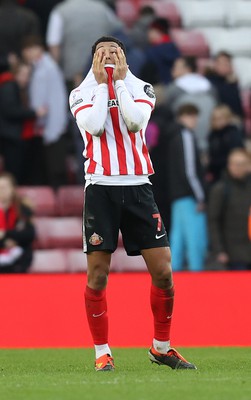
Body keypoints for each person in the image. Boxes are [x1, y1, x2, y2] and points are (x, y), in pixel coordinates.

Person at [69, 36, 196, 371]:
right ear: (92, 59)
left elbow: (136, 121)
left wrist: (119, 83)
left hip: (139, 186)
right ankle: (102, 353)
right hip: (100, 188)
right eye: (101, 52)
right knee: (97, 276)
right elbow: (95, 125)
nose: (109, 56)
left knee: (164, 272)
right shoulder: (81, 92)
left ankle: (161, 347)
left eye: (115, 51)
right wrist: (101, 86)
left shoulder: (143, 87)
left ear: (125, 55)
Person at [164, 104, 207, 272]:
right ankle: (197, 276)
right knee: (195, 240)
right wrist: (200, 196)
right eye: (193, 116)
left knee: (178, 240)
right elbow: (189, 170)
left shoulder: (171, 136)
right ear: (184, 116)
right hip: (188, 196)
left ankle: (173, 280)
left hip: (176, 196)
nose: (195, 120)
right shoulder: (185, 135)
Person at [22, 35, 68, 188]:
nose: (28, 53)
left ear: (39, 49)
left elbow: (55, 100)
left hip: (51, 125)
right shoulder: (39, 67)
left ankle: (60, 205)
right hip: (44, 125)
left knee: (55, 170)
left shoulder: (48, 68)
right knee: (45, 169)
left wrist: (52, 127)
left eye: (31, 49)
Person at [46, 0, 123, 87]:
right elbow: (118, 29)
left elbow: (54, 43)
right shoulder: (102, 8)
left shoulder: (61, 10)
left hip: (73, 68)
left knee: (78, 95)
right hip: (102, 62)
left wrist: (55, 70)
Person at [0, 55, 46, 183]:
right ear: (15, 73)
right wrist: (35, 112)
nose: (26, 78)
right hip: (11, 139)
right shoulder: (9, 86)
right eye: (23, 74)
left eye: (28, 74)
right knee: (14, 173)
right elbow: (10, 111)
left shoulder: (13, 87)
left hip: (12, 138)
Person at [208, 148, 251, 270]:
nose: (237, 167)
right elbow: (213, 221)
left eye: (241, 164)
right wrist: (219, 250)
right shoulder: (220, 190)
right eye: (234, 164)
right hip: (233, 254)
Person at [164, 56, 217, 153]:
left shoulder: (173, 89)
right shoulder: (210, 87)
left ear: (187, 68)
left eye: (176, 67)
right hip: (209, 140)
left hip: (182, 141)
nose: (172, 70)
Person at [0, 172, 36, 273]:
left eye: (4, 187)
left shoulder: (22, 209)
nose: (1, 191)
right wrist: (4, 243)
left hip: (18, 261)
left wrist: (5, 233)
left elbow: (30, 234)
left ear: (12, 189)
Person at [207, 105, 244, 184]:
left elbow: (237, 154)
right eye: (215, 118)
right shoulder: (212, 135)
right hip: (216, 174)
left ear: (227, 118)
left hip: (230, 174)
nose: (217, 121)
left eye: (220, 118)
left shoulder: (233, 133)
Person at [139, 17, 180, 85]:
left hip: (157, 89)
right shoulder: (174, 48)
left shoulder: (152, 52)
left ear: (157, 32)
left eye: (150, 31)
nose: (148, 34)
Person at [206, 51, 244, 120]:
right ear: (214, 64)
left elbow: (238, 110)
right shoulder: (207, 81)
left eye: (226, 63)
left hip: (233, 119)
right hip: (213, 118)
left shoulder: (233, 83)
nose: (223, 66)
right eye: (220, 63)